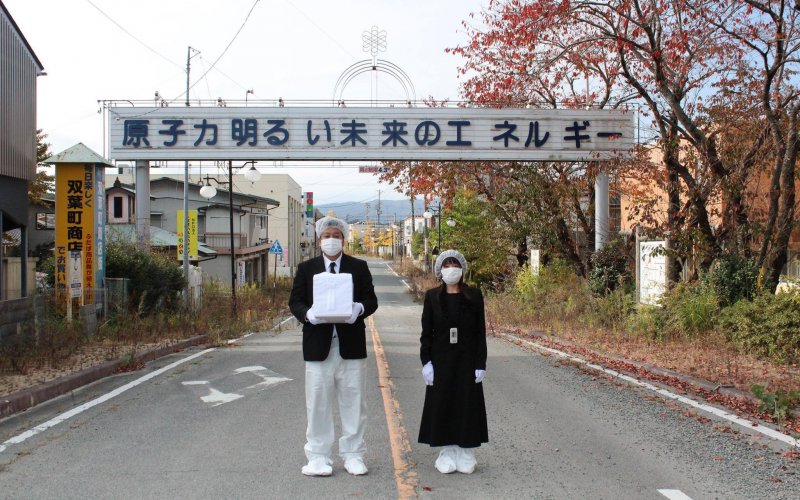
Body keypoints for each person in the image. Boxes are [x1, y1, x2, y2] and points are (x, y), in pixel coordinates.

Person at [289, 216, 379, 477]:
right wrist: (308, 314)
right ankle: (318, 456)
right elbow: (295, 301)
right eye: (326, 235)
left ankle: (353, 454)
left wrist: (358, 308)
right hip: (318, 346)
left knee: (354, 402)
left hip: (351, 345)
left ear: (343, 239)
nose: (331, 240)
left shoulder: (358, 266)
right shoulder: (307, 268)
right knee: (317, 402)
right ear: (319, 240)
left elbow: (371, 300)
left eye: (336, 235)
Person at [418, 249, 488, 474]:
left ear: (462, 269)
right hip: (441, 360)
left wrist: (481, 363)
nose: (451, 269)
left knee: (467, 403)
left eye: (454, 265)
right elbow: (426, 332)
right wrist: (426, 362)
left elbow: (480, 332)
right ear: (440, 270)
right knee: (443, 403)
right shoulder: (431, 297)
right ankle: (446, 451)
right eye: (446, 265)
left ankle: (466, 451)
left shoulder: (474, 296)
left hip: (467, 359)